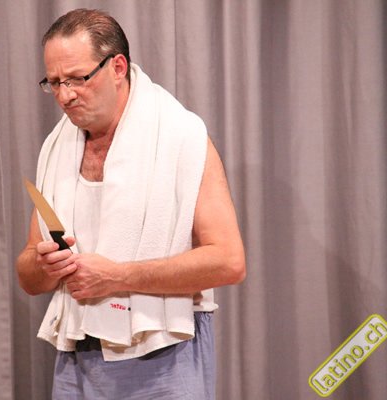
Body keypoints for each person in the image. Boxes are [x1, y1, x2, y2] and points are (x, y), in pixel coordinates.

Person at [16, 8, 245, 400]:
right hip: (77, 356)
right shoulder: (56, 146)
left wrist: (117, 276)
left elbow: (229, 261)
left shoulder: (181, 136)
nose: (65, 96)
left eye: (77, 79)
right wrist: (45, 266)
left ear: (117, 67)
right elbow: (29, 276)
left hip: (164, 353)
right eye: (53, 82)